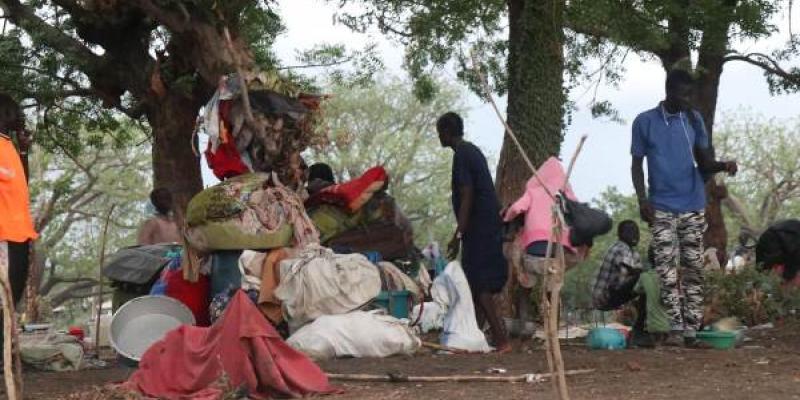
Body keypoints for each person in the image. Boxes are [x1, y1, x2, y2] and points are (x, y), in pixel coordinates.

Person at [631, 69, 738, 347]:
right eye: (683, 94)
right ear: (668, 91)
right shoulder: (644, 122)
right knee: (665, 268)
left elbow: (703, 163)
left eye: (691, 94)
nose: (688, 99)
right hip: (662, 205)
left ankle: (691, 331)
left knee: (693, 268)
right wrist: (643, 200)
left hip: (692, 203)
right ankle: (675, 329)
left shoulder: (693, 119)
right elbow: (636, 166)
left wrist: (723, 165)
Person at [436, 111, 509, 353]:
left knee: (479, 283)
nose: (439, 136)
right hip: (485, 225)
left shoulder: (463, 155)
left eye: (439, 132)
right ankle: (473, 336)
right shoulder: (471, 152)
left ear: (446, 131)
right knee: (475, 280)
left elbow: (467, 194)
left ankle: (501, 340)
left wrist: (459, 233)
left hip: (479, 227)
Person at [502, 156, 589, 330]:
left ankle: (522, 324)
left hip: (533, 257)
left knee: (525, 285)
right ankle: (553, 329)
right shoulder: (566, 196)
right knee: (553, 290)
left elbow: (516, 209)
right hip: (558, 258)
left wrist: (506, 216)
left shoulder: (533, 192)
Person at [0, 93, 38, 374]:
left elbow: (20, 183)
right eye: (14, 111)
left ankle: (4, 358)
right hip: (3, 236)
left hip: (18, 235)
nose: (20, 115)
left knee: (9, 301)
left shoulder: (9, 145)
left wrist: (24, 151)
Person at [591, 221, 670, 346]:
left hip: (612, 294)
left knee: (646, 281)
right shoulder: (621, 248)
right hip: (606, 297)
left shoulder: (632, 252)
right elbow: (627, 276)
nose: (635, 236)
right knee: (647, 280)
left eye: (636, 232)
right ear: (620, 234)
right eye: (630, 232)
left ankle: (641, 330)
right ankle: (639, 332)